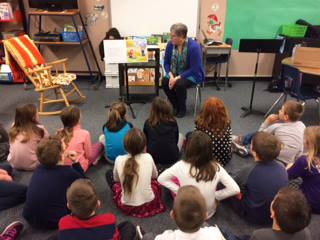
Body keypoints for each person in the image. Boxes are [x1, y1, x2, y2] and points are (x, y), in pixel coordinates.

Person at [158, 131, 240, 218]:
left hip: (188, 210)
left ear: (188, 148)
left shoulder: (180, 165)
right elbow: (235, 189)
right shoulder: (216, 167)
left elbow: (161, 179)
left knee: (173, 181)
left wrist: (178, 190)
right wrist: (215, 196)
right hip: (209, 212)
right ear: (209, 150)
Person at [23, 136, 85, 229]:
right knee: (82, 198)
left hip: (30, 219)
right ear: (61, 155)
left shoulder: (38, 169)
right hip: (54, 221)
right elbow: (86, 184)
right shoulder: (67, 172)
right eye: (65, 148)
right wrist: (76, 162)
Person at [105, 128, 165, 218]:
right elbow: (155, 176)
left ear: (125, 146)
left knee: (108, 174)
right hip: (149, 203)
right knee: (160, 168)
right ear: (144, 145)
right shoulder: (148, 157)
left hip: (127, 206)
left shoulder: (119, 159)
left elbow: (116, 180)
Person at [232, 132, 288, 225]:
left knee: (228, 186)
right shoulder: (282, 167)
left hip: (252, 215)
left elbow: (233, 183)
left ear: (253, 152)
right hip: (274, 215)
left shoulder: (249, 170)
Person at [58, 179, 137, 240]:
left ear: (68, 206)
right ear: (98, 204)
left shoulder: (64, 223)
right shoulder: (109, 220)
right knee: (128, 225)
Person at [233, 100, 305, 165]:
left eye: (281, 110)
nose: (279, 111)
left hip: (272, 156)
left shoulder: (277, 127)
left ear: (286, 117)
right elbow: (301, 148)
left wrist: (267, 121)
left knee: (261, 136)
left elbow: (259, 135)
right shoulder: (302, 126)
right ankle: (246, 145)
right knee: (272, 136)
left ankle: (245, 145)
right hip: (288, 162)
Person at [141, 185, 225, 240]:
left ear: (172, 215)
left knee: (148, 236)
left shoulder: (166, 237)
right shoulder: (214, 233)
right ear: (206, 215)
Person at [162, 23, 205, 118]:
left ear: (181, 36)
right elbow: (166, 63)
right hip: (174, 72)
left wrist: (176, 78)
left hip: (192, 74)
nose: (171, 38)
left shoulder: (194, 47)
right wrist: (171, 76)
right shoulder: (170, 44)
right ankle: (175, 105)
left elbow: (195, 68)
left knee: (180, 84)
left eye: (173, 36)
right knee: (164, 82)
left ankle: (182, 108)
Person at [57, 105, 103, 172]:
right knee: (99, 144)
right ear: (78, 119)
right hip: (79, 168)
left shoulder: (58, 133)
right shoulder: (85, 134)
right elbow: (89, 156)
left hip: (62, 168)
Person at [287, 126, 320, 214]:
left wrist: (290, 166)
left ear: (307, 143)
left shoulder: (304, 160)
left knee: (286, 185)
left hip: (311, 203)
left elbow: (288, 176)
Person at [7, 103, 49, 170]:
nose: (39, 115)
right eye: (37, 114)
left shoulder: (13, 126)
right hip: (33, 165)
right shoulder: (39, 129)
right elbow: (48, 143)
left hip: (13, 164)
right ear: (33, 118)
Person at [143, 97, 182, 168]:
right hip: (172, 158)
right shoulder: (173, 121)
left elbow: (146, 141)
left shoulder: (148, 123)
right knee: (181, 136)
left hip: (152, 158)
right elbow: (176, 139)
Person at [194, 97, 232, 166]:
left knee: (190, 136)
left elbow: (197, 142)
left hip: (205, 162)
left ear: (205, 111)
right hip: (224, 159)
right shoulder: (226, 123)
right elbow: (229, 142)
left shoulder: (199, 125)